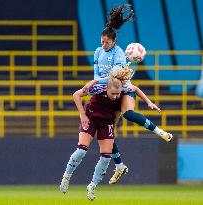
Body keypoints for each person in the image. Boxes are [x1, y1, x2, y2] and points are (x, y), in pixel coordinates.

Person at [83, 4, 173, 185]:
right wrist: (97, 84)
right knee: (108, 133)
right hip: (109, 92)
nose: (103, 44)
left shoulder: (120, 55)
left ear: (114, 42)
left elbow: (115, 76)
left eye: (106, 42)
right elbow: (97, 75)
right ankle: (119, 166)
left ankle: (159, 131)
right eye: (102, 41)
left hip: (121, 90)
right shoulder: (98, 52)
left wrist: (149, 102)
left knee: (129, 114)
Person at [60, 77, 162, 200]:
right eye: (113, 93)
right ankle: (66, 177)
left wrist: (149, 102)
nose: (115, 96)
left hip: (107, 122)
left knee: (105, 157)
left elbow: (135, 89)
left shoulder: (123, 89)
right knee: (81, 150)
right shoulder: (98, 88)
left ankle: (92, 186)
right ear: (107, 88)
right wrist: (82, 115)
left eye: (118, 94)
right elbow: (76, 95)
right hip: (91, 118)